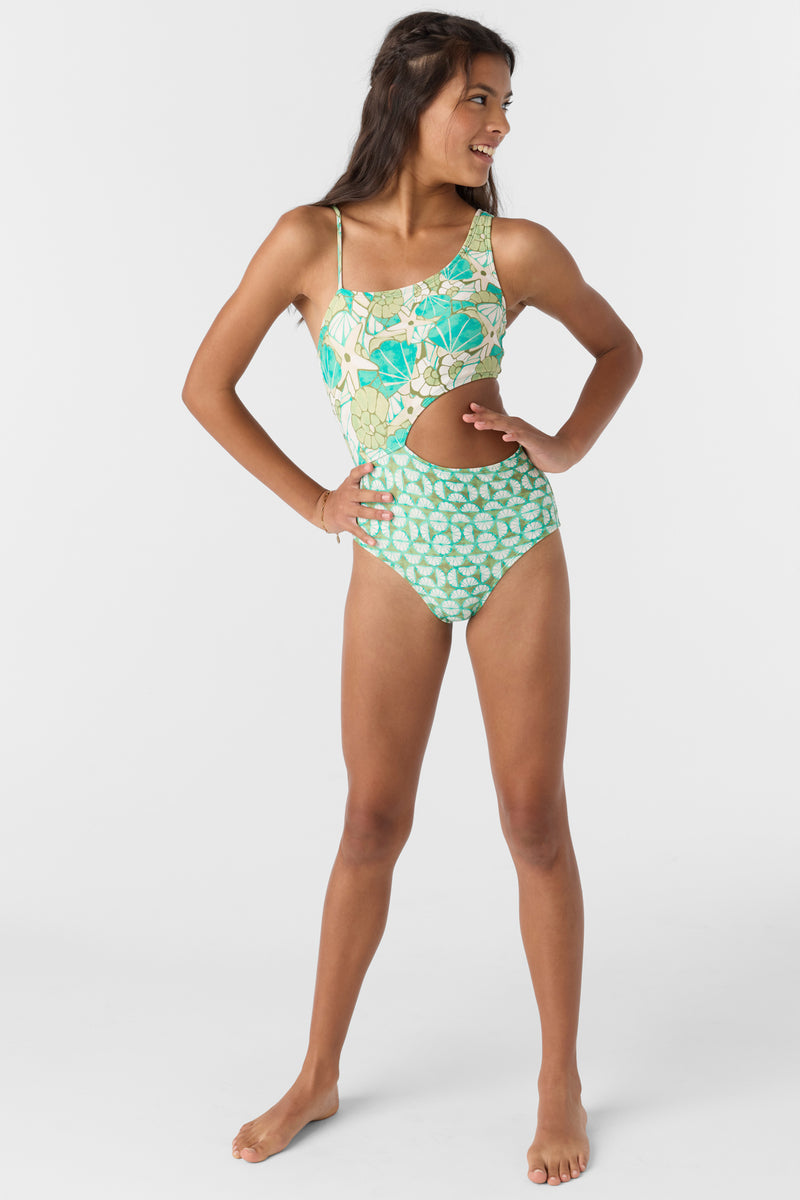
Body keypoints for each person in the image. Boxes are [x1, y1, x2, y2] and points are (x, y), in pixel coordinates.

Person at [182, 10, 642, 1187]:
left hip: (510, 540)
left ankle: (556, 1081)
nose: (497, 125)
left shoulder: (512, 249)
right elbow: (206, 386)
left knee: (531, 821)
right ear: (407, 97)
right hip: (391, 549)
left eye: (504, 104)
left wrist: (561, 445)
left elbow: (617, 350)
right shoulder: (308, 242)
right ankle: (316, 1074)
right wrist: (315, 502)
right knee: (369, 823)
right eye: (476, 99)